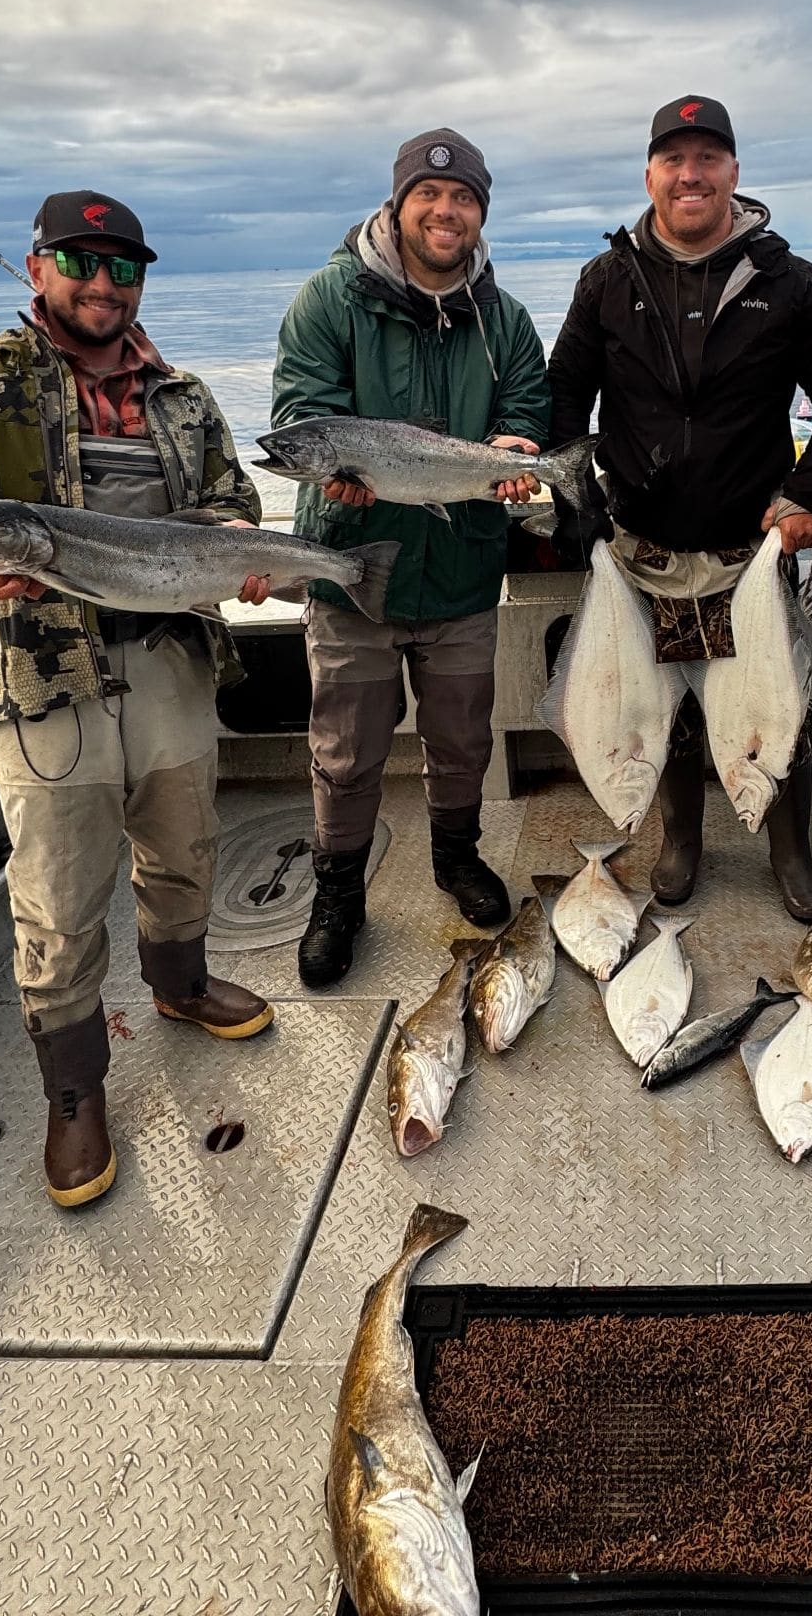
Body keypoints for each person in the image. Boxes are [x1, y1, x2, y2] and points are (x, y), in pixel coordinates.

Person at [0, 190, 275, 1209]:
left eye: (124, 267)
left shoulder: (187, 396)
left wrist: (235, 558)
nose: (105, 284)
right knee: (59, 897)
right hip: (44, 672)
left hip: (167, 655)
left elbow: (234, 503)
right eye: (82, 262)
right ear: (38, 270)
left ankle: (181, 985)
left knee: (184, 841)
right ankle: (74, 1094)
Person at [546, 95, 812, 918]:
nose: (690, 174)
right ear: (649, 174)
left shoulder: (788, 282)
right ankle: (682, 839)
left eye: (708, 158)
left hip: (752, 549)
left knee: (775, 703)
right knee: (669, 703)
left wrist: (805, 493)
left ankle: (791, 852)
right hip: (646, 544)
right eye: (674, 159)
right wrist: (581, 497)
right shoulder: (608, 279)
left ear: (734, 173)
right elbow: (565, 394)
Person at [271, 129, 550, 987]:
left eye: (464, 198)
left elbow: (527, 399)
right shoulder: (329, 300)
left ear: (479, 213)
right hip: (352, 566)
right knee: (347, 750)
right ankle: (339, 893)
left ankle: (456, 859)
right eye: (429, 196)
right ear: (397, 204)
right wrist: (340, 480)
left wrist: (518, 444)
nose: (446, 210)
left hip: (464, 569)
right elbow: (301, 408)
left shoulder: (503, 319)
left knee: (461, 740)